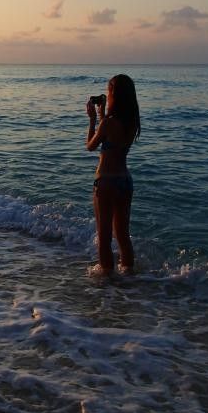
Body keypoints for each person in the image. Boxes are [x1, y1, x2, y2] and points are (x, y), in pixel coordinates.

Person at [85, 74, 140, 275]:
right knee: (123, 235)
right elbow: (112, 140)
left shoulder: (107, 123)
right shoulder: (132, 122)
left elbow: (90, 146)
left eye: (109, 92)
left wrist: (93, 120)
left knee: (105, 237)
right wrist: (102, 117)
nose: (107, 96)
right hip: (124, 181)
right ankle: (129, 277)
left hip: (106, 182)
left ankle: (107, 283)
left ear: (114, 95)